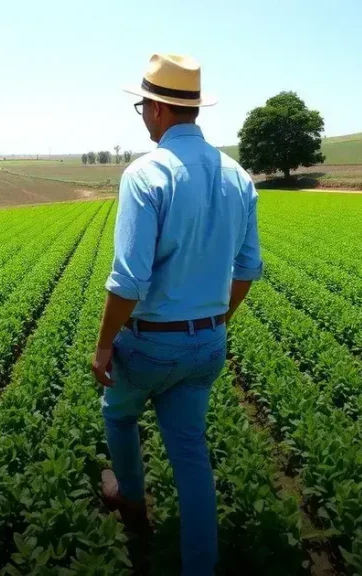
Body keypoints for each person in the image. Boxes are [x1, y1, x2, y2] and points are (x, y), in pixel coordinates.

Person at [90, 53, 263, 575]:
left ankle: (131, 500)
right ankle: (200, 566)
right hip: (207, 344)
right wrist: (215, 321)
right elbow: (248, 266)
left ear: (160, 110)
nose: (142, 114)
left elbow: (128, 280)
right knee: (190, 454)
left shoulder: (146, 175)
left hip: (148, 344)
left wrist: (103, 344)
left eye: (143, 106)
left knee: (117, 412)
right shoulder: (238, 176)